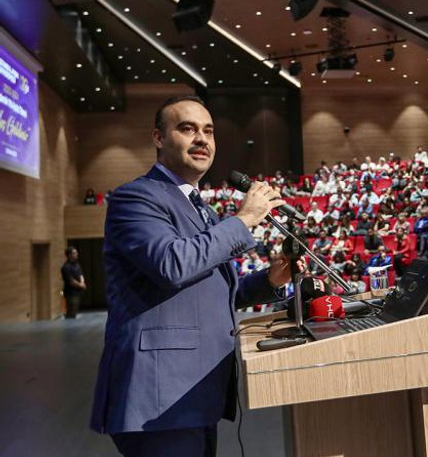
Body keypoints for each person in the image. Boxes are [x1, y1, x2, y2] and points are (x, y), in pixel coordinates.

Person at [90, 96, 292, 456]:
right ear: (158, 138)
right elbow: (172, 264)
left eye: (209, 131)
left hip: (195, 391)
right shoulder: (135, 198)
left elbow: (208, 289)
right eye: (187, 128)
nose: (202, 139)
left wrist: (269, 282)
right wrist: (243, 220)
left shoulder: (200, 208)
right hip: (159, 397)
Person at [61, 246, 86, 319]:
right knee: (71, 312)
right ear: (69, 255)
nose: (77, 254)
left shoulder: (77, 265)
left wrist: (82, 282)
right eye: (74, 253)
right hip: (70, 293)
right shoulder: (66, 267)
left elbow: (81, 274)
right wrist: (81, 285)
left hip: (78, 292)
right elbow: (71, 281)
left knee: (75, 311)